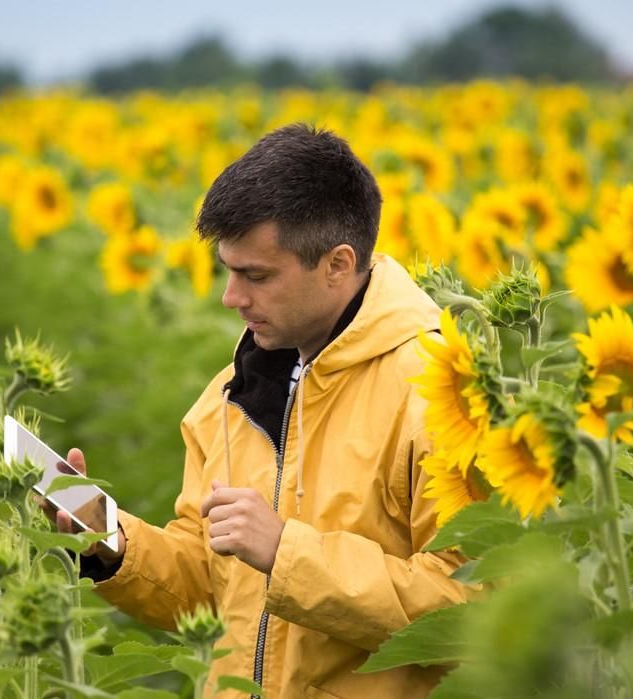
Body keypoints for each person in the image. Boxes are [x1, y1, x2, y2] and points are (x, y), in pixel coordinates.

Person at [54, 123, 472, 697]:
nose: (232, 297)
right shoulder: (227, 398)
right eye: (229, 271)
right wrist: (109, 541)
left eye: (256, 276)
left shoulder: (438, 392)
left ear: (337, 264)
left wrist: (288, 553)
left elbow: (472, 608)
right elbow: (210, 586)